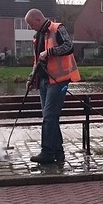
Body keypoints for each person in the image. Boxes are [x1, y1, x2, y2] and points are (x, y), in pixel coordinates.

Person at [24, 8, 81, 165]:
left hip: (59, 81)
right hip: (44, 81)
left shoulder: (58, 28)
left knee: (49, 116)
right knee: (51, 118)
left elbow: (69, 47)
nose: (30, 27)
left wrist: (49, 52)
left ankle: (47, 152)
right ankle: (58, 152)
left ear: (37, 19)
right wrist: (32, 78)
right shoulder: (37, 36)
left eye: (30, 24)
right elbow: (37, 62)